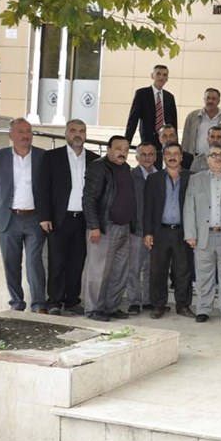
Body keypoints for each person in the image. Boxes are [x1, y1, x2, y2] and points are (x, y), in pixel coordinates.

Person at [36, 119, 98, 315]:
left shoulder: (95, 159)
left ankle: (71, 301)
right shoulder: (52, 157)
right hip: (59, 219)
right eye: (73, 130)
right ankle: (54, 302)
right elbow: (42, 188)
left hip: (83, 220)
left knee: (77, 262)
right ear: (66, 133)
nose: (78, 135)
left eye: (82, 131)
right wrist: (44, 216)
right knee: (57, 262)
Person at [0, 117, 47, 313]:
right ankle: (16, 302)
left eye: (28, 131)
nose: (25, 135)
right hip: (9, 218)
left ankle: (39, 304)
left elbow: (47, 188)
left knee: (34, 262)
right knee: (11, 264)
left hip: (35, 218)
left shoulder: (42, 156)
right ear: (11, 135)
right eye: (21, 131)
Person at [183, 145, 221, 323]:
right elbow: (189, 208)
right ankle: (203, 309)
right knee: (204, 276)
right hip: (203, 236)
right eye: (213, 155)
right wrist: (190, 234)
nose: (218, 158)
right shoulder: (195, 179)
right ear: (207, 159)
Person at [82, 136, 136, 321]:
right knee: (98, 271)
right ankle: (93, 309)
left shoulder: (126, 168)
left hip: (124, 227)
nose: (123, 152)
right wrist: (94, 226)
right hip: (104, 228)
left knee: (118, 272)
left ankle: (111, 307)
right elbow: (89, 198)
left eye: (126, 149)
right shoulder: (99, 167)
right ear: (109, 149)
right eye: (119, 148)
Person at [143, 143, 194, 319]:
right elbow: (148, 207)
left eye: (176, 154)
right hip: (160, 231)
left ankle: (183, 305)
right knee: (158, 270)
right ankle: (158, 305)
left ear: (181, 157)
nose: (172, 157)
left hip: (183, 231)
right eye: (168, 154)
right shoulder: (154, 179)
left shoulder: (191, 178)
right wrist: (148, 232)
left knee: (183, 271)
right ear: (163, 157)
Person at [127, 143, 156, 315]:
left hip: (156, 230)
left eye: (150, 154)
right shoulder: (131, 176)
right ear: (137, 157)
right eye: (143, 154)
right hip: (137, 230)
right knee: (134, 268)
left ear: (155, 156)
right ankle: (134, 301)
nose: (147, 157)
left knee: (151, 268)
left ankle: (148, 300)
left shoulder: (161, 175)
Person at [125, 64, 177, 148]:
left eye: (164, 75)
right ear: (152, 76)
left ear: (167, 78)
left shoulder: (169, 97)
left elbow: (174, 121)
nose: (161, 77)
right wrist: (127, 141)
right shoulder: (142, 94)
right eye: (158, 74)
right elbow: (133, 119)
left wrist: (175, 142)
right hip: (148, 138)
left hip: (166, 139)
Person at [181, 88, 221, 156]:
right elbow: (185, 139)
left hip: (217, 157)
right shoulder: (192, 116)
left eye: (213, 99)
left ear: (218, 101)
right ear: (204, 99)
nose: (210, 101)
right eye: (208, 98)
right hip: (195, 157)